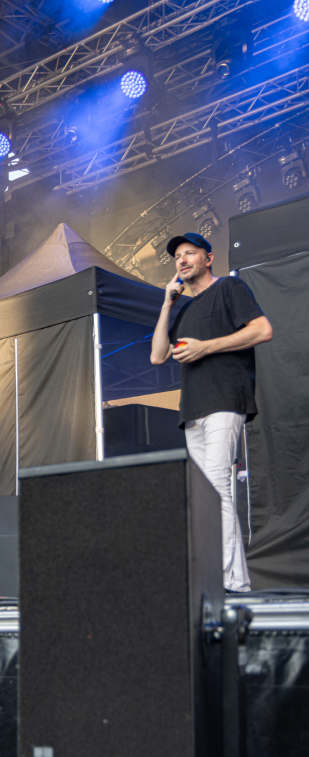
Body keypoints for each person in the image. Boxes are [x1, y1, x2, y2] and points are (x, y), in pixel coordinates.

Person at [150, 232, 273, 593]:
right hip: (193, 410)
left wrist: (207, 347)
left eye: (190, 253)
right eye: (177, 257)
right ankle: (237, 583)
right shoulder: (183, 308)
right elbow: (158, 355)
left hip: (224, 401)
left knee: (218, 488)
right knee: (208, 496)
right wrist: (166, 304)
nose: (182, 260)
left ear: (208, 258)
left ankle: (221, 583)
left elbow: (263, 330)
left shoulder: (230, 288)